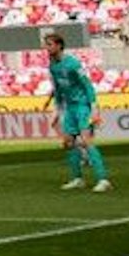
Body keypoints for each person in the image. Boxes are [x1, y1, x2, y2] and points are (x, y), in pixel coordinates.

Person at [44, 32, 111, 192]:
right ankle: (77, 178)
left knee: (87, 141)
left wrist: (94, 109)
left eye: (49, 44)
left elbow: (87, 86)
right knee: (68, 142)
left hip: (82, 106)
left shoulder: (73, 64)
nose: (47, 48)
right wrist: (57, 110)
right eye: (46, 44)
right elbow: (58, 89)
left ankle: (103, 179)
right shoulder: (53, 66)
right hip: (70, 108)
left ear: (59, 45)